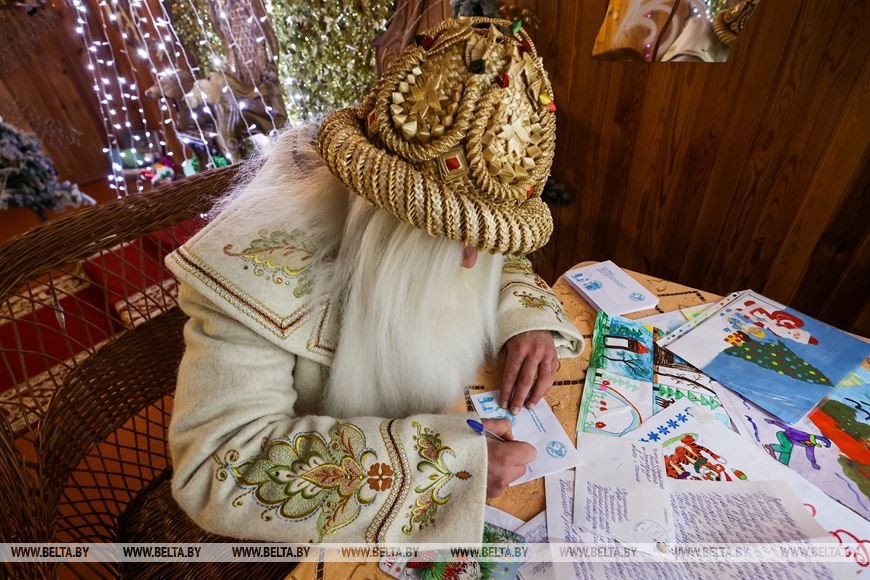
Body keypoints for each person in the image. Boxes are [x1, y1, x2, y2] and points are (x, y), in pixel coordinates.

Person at [165, 17, 583, 544]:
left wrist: (526, 320)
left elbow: (503, 260)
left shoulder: (467, 237)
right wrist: (450, 466)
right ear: (396, 212)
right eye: (455, 238)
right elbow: (219, 470)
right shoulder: (255, 275)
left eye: (489, 238)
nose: (476, 262)